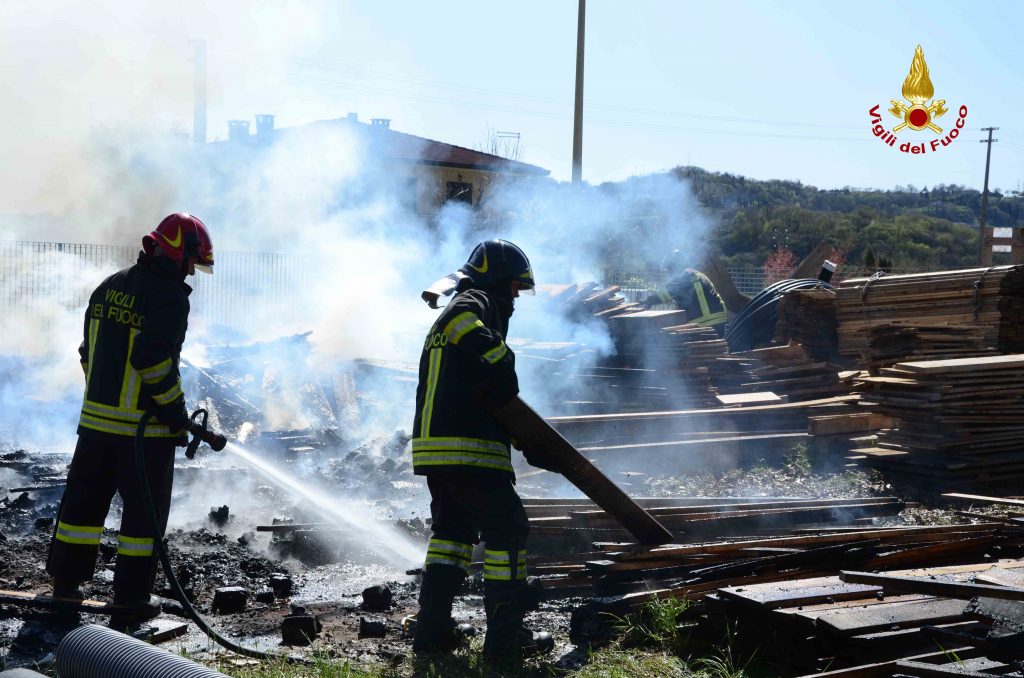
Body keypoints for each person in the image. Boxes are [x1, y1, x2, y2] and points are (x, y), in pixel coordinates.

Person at [47, 213, 216, 630]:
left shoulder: (110, 286)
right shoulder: (169, 297)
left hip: (95, 426)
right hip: (145, 435)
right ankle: (131, 599)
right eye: (191, 261)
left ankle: (65, 586)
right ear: (178, 253)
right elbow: (151, 360)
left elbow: (87, 352)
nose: (191, 271)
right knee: (143, 522)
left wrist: (103, 401)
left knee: (81, 510)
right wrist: (175, 411)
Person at [411, 239, 554, 660]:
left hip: (437, 448)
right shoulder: (475, 300)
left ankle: (433, 631)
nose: (515, 297)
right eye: (514, 287)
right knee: (507, 530)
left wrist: (522, 436)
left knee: (452, 535)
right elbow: (459, 320)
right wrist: (501, 355)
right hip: (468, 448)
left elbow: (477, 391)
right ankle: (505, 640)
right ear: (498, 280)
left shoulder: (462, 318)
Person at [645, 251, 728, 336]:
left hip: (702, 322)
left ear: (675, 266)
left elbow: (666, 293)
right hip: (718, 318)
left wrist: (649, 301)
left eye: (669, 269)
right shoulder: (694, 274)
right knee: (716, 344)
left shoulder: (683, 277)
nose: (669, 273)